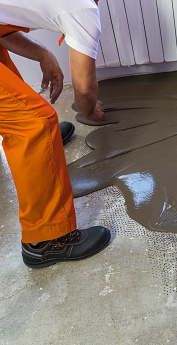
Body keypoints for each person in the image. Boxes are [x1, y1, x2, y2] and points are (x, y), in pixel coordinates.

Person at [0, 0, 111, 268]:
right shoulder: (82, 7)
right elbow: (84, 91)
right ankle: (46, 240)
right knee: (34, 122)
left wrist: (42, 54)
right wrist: (91, 110)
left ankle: (41, 152)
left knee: (16, 106)